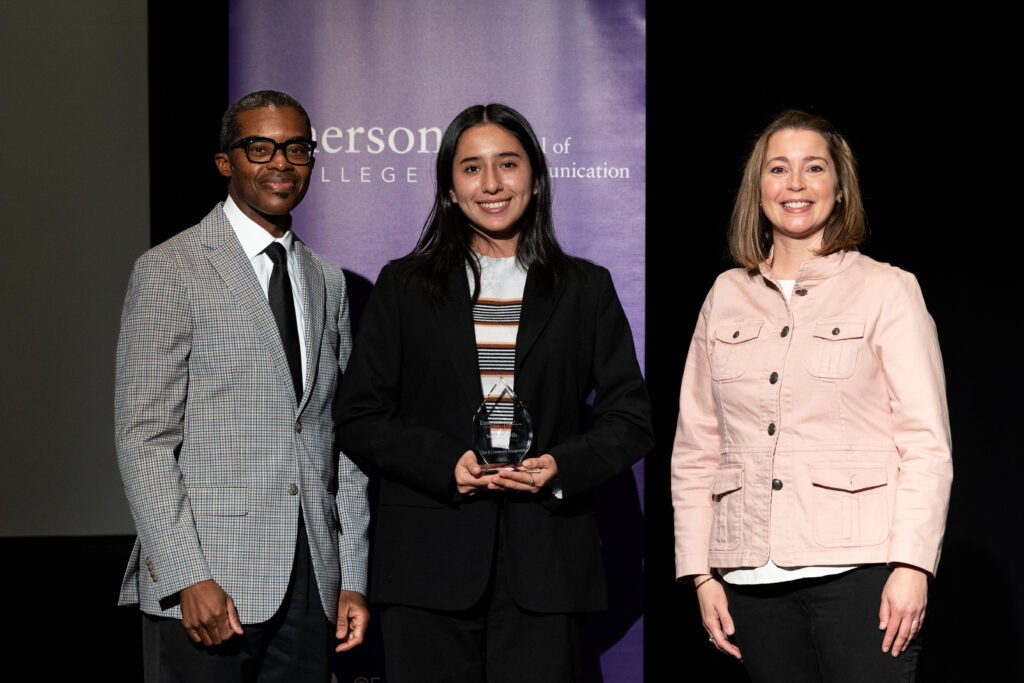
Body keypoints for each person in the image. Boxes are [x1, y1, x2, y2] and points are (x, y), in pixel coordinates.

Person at [334, 103, 653, 682]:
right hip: (428, 563)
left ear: (534, 178)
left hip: (549, 564)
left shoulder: (586, 288)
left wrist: (560, 463)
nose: (491, 184)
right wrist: (443, 464)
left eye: (507, 164)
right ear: (450, 188)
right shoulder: (405, 286)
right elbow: (359, 415)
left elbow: (630, 418)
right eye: (471, 168)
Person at [670, 109, 953, 682]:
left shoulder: (888, 290)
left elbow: (925, 442)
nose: (795, 184)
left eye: (814, 168)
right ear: (759, 189)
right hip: (750, 580)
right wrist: (701, 575)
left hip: (863, 572)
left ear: (839, 187)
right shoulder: (724, 294)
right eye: (778, 169)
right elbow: (698, 446)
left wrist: (913, 565)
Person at [114, 89, 370, 682]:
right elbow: (143, 439)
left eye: (296, 149)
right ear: (226, 161)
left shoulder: (326, 280)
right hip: (211, 587)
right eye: (260, 147)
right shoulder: (169, 270)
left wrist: (351, 576)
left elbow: (343, 438)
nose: (281, 163)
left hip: (312, 584)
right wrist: (185, 576)